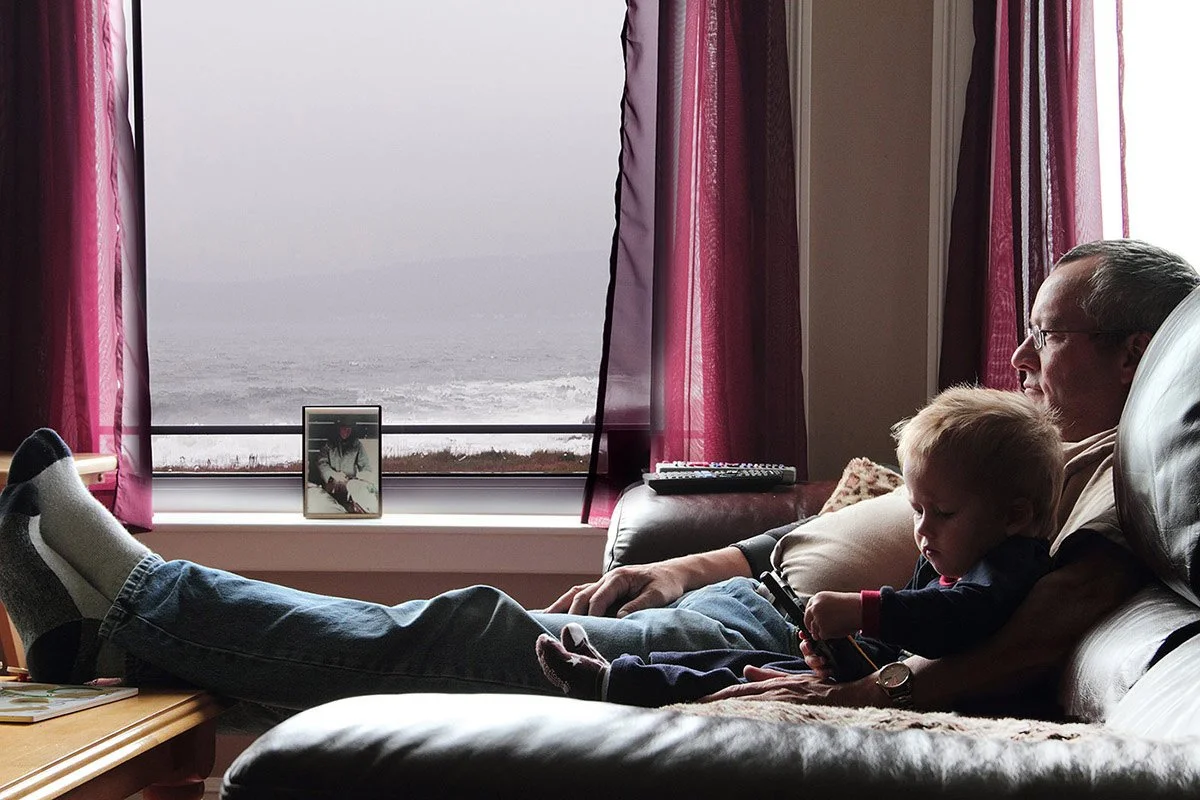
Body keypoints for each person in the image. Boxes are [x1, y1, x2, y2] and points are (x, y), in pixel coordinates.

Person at [0, 239, 1195, 720]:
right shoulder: (1030, 435)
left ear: (1134, 352)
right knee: (463, 633)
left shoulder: (1095, 482)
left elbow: (1034, 620)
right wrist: (698, 555)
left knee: (469, 636)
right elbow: (848, 535)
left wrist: (842, 696)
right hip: (753, 593)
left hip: (778, 637)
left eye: (1049, 333)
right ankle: (92, 641)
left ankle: (136, 601)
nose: (1026, 353)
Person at [534, 387, 1062, 707]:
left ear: (1014, 515)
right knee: (742, 664)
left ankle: (615, 682)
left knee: (734, 671)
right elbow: (899, 649)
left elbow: (956, 618)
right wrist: (838, 655)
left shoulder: (1012, 565)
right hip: (781, 619)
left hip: (845, 665)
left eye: (942, 514)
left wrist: (863, 610)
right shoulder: (949, 558)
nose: (923, 532)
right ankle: (614, 668)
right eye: (916, 510)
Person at [311, 416, 377, 514]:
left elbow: (365, 466)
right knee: (333, 508)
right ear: (338, 428)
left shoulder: (356, 444)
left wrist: (363, 478)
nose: (347, 431)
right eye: (344, 428)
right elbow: (322, 463)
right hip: (332, 483)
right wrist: (333, 474)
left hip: (349, 484)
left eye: (349, 429)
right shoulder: (328, 444)